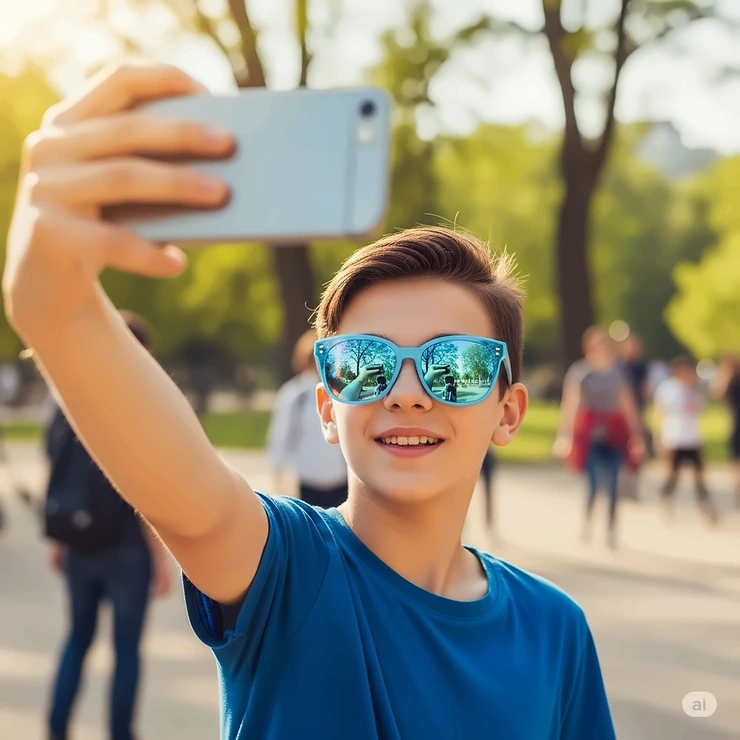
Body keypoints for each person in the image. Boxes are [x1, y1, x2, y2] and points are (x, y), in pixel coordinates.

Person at [3, 64, 615, 739]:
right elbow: (193, 502)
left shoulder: (557, 629)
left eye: (455, 366)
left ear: (509, 412)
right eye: (365, 364)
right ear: (326, 407)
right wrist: (51, 300)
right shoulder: (286, 570)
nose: (408, 393)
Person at [45, 313, 173, 740]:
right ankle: (121, 733)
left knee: (78, 637)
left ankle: (57, 727)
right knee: (126, 650)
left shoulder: (70, 397)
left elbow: (56, 467)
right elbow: (147, 490)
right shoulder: (140, 404)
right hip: (127, 548)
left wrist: (59, 538)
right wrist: (160, 557)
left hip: (80, 543)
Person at [555, 327, 644, 549]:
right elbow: (571, 405)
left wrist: (637, 435)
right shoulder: (581, 372)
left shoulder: (617, 372)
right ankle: (588, 521)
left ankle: (611, 530)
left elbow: (627, 404)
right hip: (591, 434)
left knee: (614, 484)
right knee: (594, 483)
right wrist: (565, 436)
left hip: (613, 434)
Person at [267, 329, 347, 508]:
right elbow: (280, 436)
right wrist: (278, 476)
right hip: (309, 478)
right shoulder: (295, 394)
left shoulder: (342, 390)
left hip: (340, 478)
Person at [653, 355, 718, 524]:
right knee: (673, 473)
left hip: (692, 438)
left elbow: (700, 409)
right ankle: (665, 498)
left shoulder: (694, 389)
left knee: (699, 475)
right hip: (674, 438)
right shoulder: (668, 389)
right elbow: (660, 413)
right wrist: (659, 438)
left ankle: (705, 504)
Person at [711, 353, 740, 508]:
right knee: (736, 458)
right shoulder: (731, 381)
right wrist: (725, 374)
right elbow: (717, 394)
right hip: (736, 422)